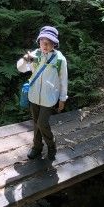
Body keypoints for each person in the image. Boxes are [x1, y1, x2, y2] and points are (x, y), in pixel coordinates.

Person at [17, 26, 68, 161]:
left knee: (42, 123)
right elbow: (21, 68)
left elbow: (63, 80)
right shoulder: (35, 55)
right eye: (42, 42)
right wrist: (25, 59)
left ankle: (51, 145)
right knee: (36, 123)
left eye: (49, 42)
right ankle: (37, 147)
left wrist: (62, 99)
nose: (45, 45)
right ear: (38, 42)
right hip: (34, 96)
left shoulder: (59, 59)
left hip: (49, 98)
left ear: (54, 44)